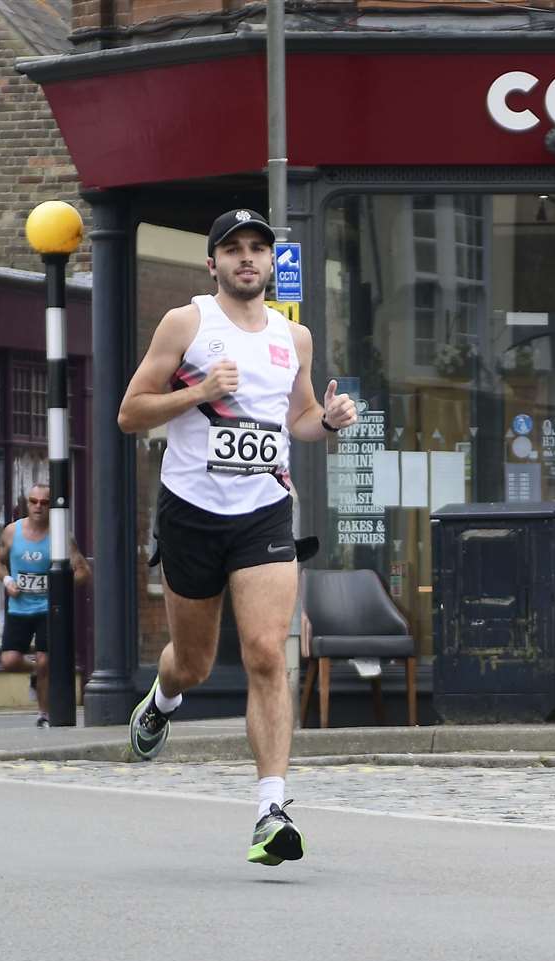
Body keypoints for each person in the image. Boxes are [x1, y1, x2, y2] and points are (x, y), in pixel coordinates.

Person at [117, 208, 358, 866]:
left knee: (264, 654)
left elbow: (300, 418)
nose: (246, 258)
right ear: (213, 263)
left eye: (257, 248)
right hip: (192, 511)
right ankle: (162, 701)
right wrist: (195, 392)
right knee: (192, 663)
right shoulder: (188, 324)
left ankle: (270, 809)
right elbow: (130, 412)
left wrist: (329, 422)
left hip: (264, 511)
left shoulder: (294, 338)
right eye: (233, 249)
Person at [0, 483, 92, 728]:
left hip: (48, 609)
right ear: (27, 503)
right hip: (20, 607)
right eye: (33, 501)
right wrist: (7, 580)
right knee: (10, 661)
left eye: (44, 503)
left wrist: (58, 584)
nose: (38, 507)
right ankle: (36, 674)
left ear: (51, 506)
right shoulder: (12, 532)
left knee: (46, 661)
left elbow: (83, 572)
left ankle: (44, 714)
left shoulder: (60, 537)